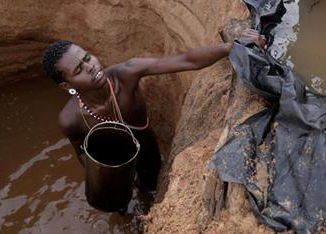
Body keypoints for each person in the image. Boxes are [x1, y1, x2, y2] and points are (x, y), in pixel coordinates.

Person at [42, 29, 266, 193]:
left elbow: (185, 60)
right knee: (115, 203)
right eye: (80, 69)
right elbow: (81, 152)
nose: (92, 67)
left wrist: (230, 47)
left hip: (148, 152)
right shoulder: (70, 119)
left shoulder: (126, 74)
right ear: (67, 85)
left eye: (87, 57)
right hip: (113, 167)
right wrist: (102, 177)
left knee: (150, 189)